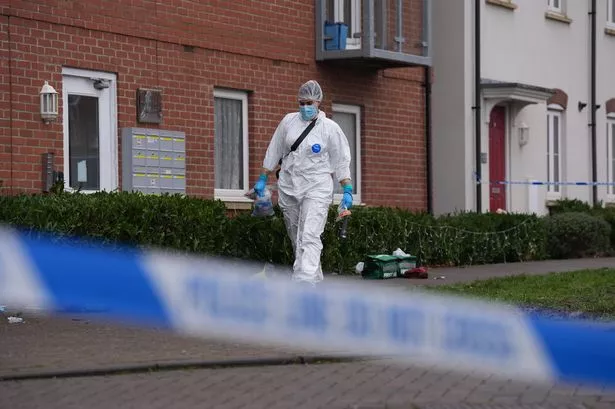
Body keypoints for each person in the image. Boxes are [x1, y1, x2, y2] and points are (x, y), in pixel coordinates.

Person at [253, 80, 353, 285]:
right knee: (296, 237)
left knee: (309, 235)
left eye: (309, 103)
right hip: (289, 187)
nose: (305, 107)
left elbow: (341, 160)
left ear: (318, 103)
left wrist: (347, 189)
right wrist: (263, 177)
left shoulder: (329, 128)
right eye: (301, 103)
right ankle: (314, 280)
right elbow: (275, 149)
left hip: (316, 188)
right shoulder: (289, 122)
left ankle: (303, 282)